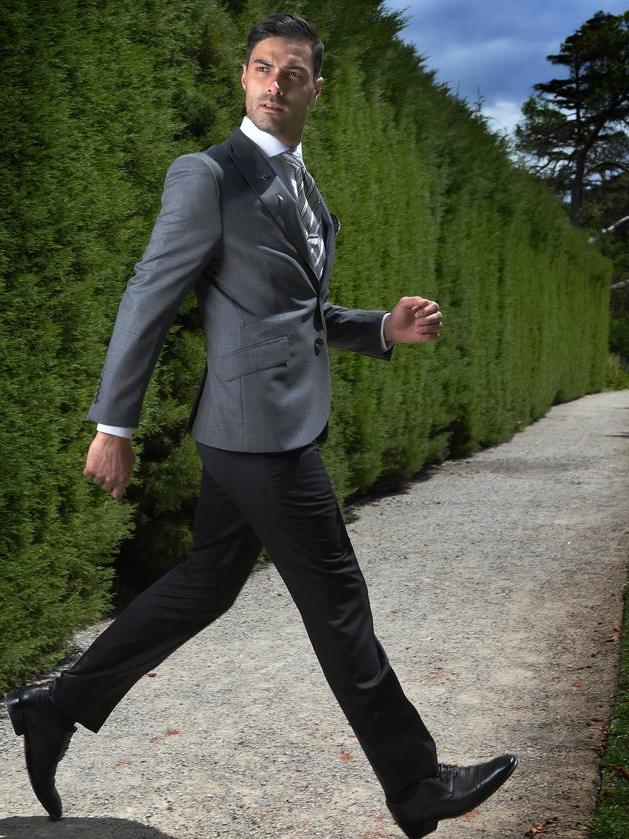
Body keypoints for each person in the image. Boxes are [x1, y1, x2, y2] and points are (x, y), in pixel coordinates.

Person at [5, 13, 517, 838]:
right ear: (244, 77)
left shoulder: (300, 182)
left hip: (257, 422)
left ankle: (56, 704)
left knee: (207, 579)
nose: (275, 84)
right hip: (255, 434)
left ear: (317, 87)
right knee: (339, 597)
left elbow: (293, 312)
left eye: (293, 73)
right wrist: (114, 423)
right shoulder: (208, 174)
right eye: (261, 68)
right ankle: (416, 784)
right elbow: (150, 293)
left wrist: (379, 328)